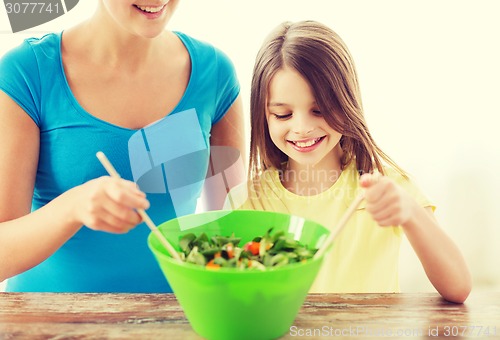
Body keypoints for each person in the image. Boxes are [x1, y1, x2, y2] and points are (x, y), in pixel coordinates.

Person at [0, 0, 245, 292]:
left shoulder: (215, 73)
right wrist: (73, 207)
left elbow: (231, 233)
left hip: (179, 321)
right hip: (48, 326)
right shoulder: (28, 72)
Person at [225, 20, 471, 303]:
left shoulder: (387, 187)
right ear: (262, 115)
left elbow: (459, 287)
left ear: (346, 102)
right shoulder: (247, 201)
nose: (302, 127)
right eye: (283, 115)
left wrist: (411, 213)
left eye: (319, 110)